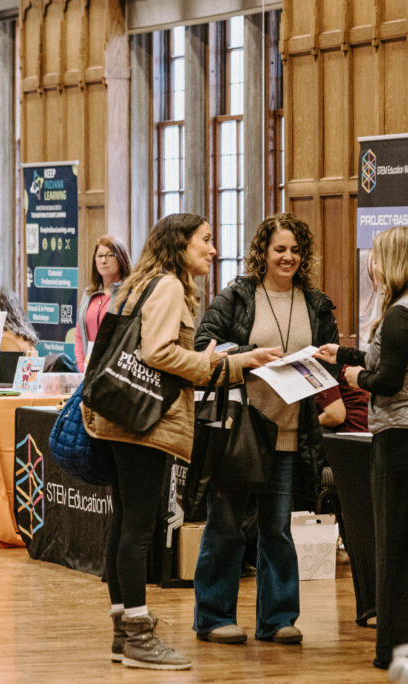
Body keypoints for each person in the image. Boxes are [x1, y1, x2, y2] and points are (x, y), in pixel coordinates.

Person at [80, 213, 280, 671]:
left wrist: (240, 361)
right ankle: (137, 637)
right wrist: (209, 362)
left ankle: (122, 632)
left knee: (123, 525)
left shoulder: (137, 283)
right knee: (138, 530)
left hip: (117, 416)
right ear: (179, 244)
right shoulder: (169, 286)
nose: (212, 249)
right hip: (144, 424)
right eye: (205, 240)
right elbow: (160, 353)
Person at [191, 213, 339, 647]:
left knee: (277, 528)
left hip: (291, 432)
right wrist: (251, 355)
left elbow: (330, 358)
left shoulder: (315, 302)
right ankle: (213, 616)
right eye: (279, 249)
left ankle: (278, 619)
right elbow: (205, 346)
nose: (288, 257)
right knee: (227, 525)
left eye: (295, 250)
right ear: (263, 252)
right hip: (241, 430)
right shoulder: (238, 295)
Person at [314, 226, 408, 669]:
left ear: (389, 261)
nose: (370, 266)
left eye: (374, 257)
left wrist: (355, 379)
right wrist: (343, 354)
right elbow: (397, 361)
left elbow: (389, 381)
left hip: (402, 442)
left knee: (394, 547)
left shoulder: (398, 314)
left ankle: (394, 649)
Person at [76, 236, 131, 371]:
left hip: (115, 370)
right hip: (87, 369)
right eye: (99, 256)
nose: (103, 260)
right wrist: (81, 366)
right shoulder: (89, 294)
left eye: (109, 255)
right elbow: (79, 334)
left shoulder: (129, 294)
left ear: (121, 259)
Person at [314, 364, 370, 432]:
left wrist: (307, 424)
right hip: (366, 431)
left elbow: (335, 416)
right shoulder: (347, 364)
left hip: (348, 433)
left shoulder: (316, 369)